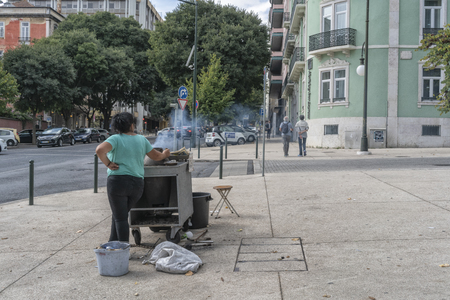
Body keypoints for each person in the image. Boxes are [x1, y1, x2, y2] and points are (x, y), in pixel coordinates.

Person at [95, 112, 170, 243]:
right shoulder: (142, 139)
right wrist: (165, 154)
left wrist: (108, 163)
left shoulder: (115, 139)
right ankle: (113, 243)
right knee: (119, 214)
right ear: (131, 125)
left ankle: (123, 250)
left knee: (120, 218)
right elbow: (156, 157)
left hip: (117, 183)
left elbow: (99, 150)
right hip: (137, 185)